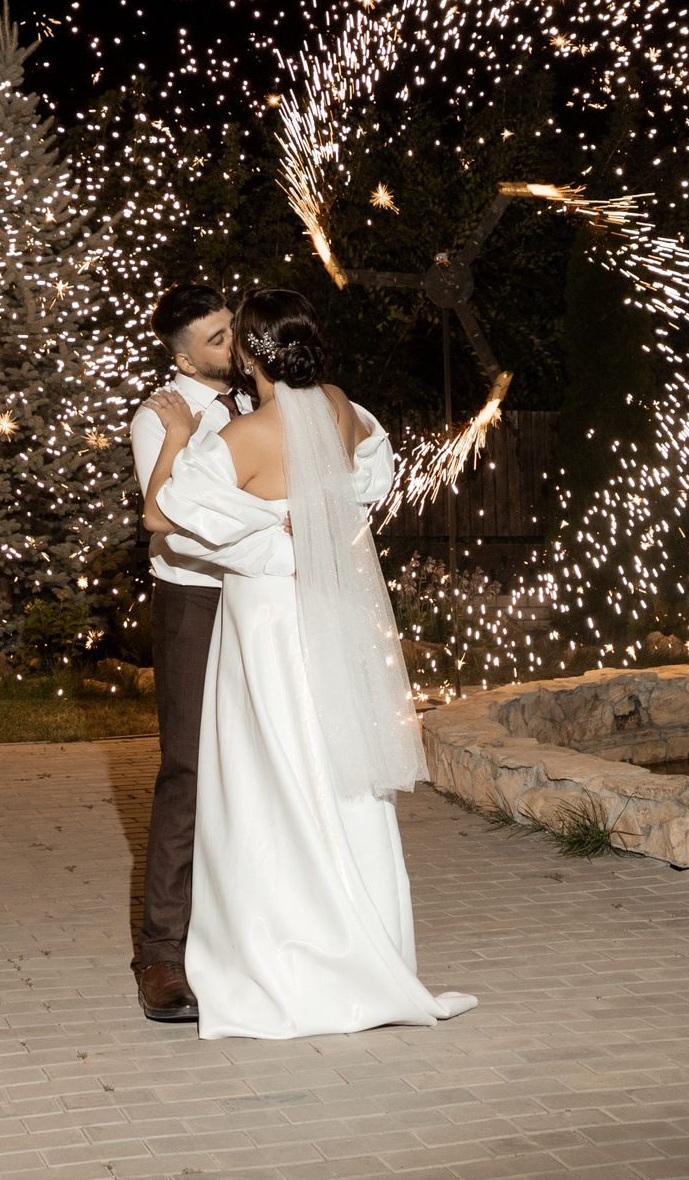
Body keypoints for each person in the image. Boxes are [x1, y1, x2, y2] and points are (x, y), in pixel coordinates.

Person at [143, 288, 477, 1040]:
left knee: (265, 778)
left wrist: (179, 437)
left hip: (263, 621)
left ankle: (283, 956)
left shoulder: (247, 436)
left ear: (254, 356)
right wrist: (308, 520)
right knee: (333, 764)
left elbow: (162, 514)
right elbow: (372, 477)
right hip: (328, 613)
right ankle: (367, 944)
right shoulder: (339, 404)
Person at [125, 283, 254, 1021]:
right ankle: (161, 955)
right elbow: (167, 520)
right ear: (180, 354)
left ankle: (236, 938)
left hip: (255, 602)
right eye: (215, 337)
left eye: (232, 327)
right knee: (188, 769)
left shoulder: (253, 401)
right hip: (196, 603)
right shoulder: (159, 415)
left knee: (250, 765)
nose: (232, 342)